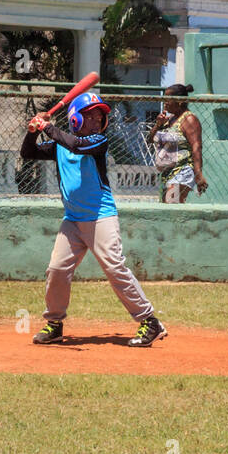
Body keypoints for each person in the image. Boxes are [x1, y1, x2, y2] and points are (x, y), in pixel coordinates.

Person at [21, 90, 166, 347]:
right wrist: (33, 130)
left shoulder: (98, 142)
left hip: (101, 217)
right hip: (73, 220)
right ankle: (54, 324)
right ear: (76, 119)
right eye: (91, 116)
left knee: (114, 267)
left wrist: (47, 126)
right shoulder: (58, 146)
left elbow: (77, 145)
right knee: (56, 269)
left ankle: (149, 321)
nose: (97, 121)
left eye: (100, 117)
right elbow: (27, 153)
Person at [147, 83, 208, 202]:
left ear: (179, 101)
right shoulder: (169, 119)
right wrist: (158, 125)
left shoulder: (189, 119)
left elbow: (196, 147)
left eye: (168, 99)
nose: (165, 102)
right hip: (168, 172)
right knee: (170, 206)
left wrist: (198, 174)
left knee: (171, 201)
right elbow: (150, 140)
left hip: (183, 170)